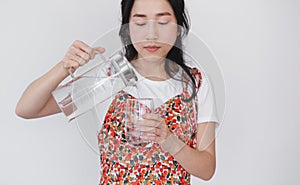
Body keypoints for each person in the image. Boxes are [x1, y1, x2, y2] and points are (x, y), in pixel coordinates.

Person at [16, 0, 219, 184]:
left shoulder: (195, 83)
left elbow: (207, 169)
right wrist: (64, 67)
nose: (151, 34)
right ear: (127, 28)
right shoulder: (111, 76)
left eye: (163, 22)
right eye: (140, 23)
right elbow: (28, 109)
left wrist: (170, 141)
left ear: (177, 28)